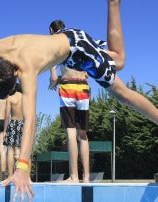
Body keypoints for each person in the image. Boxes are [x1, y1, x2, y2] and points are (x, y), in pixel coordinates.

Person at [0, 0, 158, 200]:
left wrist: (22, 168)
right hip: (68, 44)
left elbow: (30, 120)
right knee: (118, 60)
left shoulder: (27, 68)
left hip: (76, 49)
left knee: (120, 89)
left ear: (16, 75)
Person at [49, 20, 91, 183]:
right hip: (83, 87)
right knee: (83, 135)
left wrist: (53, 83)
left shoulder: (55, 44)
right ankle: (86, 177)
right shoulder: (77, 40)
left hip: (67, 88)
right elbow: (87, 70)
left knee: (71, 133)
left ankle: (74, 176)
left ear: (51, 30)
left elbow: (54, 78)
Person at [3, 83, 24, 179]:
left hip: (13, 123)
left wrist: (4, 131)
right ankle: (25, 176)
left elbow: (7, 116)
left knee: (10, 149)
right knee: (24, 150)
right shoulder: (25, 98)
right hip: (24, 123)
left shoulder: (10, 98)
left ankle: (10, 175)